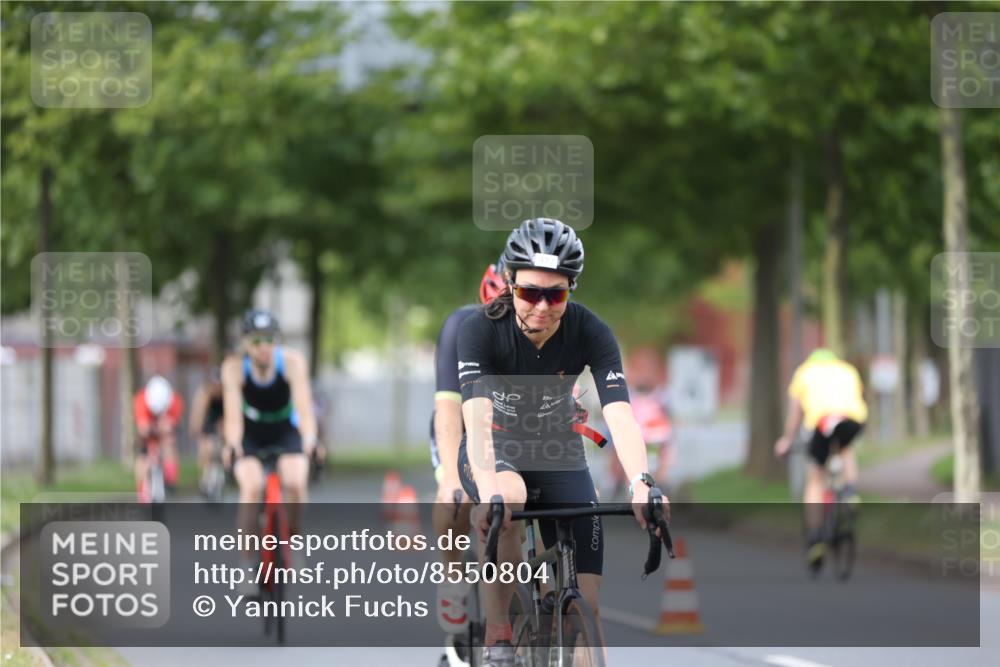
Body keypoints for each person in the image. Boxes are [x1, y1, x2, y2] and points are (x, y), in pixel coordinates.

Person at [456, 218, 665, 666]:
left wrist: (641, 483)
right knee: (507, 500)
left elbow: (620, 415)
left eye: (556, 295)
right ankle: (498, 631)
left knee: (587, 602)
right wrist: (489, 492)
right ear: (509, 282)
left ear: (572, 288)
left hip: (558, 452)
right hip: (496, 447)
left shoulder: (591, 331)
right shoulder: (480, 330)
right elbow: (476, 421)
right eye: (529, 292)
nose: (542, 306)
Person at [429, 257, 506, 645]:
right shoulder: (460, 326)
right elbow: (447, 408)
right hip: (459, 424)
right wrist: (450, 477)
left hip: (513, 429)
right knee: (457, 500)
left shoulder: (545, 327)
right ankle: (451, 572)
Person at [221, 309, 318, 590]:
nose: (263, 347)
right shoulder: (233, 368)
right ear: (245, 343)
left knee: (295, 481)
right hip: (251, 433)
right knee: (251, 488)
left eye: (269, 339)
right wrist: (233, 444)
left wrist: (310, 439)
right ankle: (245, 565)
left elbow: (304, 408)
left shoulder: (292, 363)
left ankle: (294, 541)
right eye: (255, 341)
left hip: (284, 430)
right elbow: (232, 417)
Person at [774, 347, 868, 568]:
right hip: (852, 420)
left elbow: (795, 413)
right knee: (845, 448)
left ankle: (815, 537)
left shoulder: (804, 372)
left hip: (822, 422)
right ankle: (850, 492)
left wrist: (787, 440)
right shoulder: (848, 370)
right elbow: (859, 397)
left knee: (816, 477)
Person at [133, 375, 183, 502]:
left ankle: (170, 479)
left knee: (170, 444)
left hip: (165, 432)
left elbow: (172, 427)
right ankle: (142, 490)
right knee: (143, 458)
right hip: (149, 431)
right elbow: (143, 429)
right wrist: (152, 428)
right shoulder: (141, 400)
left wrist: (167, 427)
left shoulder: (175, 401)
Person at [189, 367, 224, 496]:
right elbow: (198, 414)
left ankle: (224, 472)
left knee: (222, 444)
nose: (218, 388)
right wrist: (196, 429)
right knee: (206, 449)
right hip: (207, 419)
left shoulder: (227, 394)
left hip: (221, 418)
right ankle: (204, 478)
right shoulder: (205, 393)